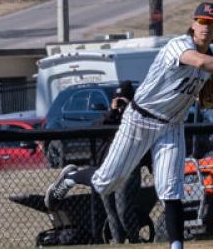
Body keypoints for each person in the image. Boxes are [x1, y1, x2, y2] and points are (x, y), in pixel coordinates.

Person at [46, 2, 213, 249]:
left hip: (172, 126)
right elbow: (199, 63)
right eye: (202, 22)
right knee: (106, 182)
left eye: (212, 24)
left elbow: (204, 89)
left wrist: (212, 92)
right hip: (140, 118)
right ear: (193, 24)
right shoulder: (179, 46)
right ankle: (71, 176)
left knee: (172, 189)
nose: (205, 27)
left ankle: (176, 246)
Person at [45, 80, 148, 243]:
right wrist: (112, 112)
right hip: (105, 168)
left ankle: (135, 242)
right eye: (117, 98)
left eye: (124, 99)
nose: (120, 103)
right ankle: (119, 244)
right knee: (111, 211)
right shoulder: (108, 118)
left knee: (123, 209)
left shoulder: (137, 117)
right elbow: (95, 128)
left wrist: (129, 110)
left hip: (129, 169)